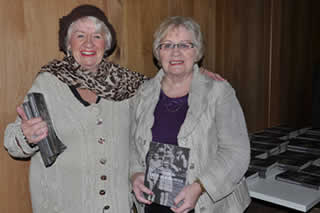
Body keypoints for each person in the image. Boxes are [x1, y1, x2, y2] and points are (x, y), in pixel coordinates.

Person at [4, 4, 148, 213]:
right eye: (80, 35)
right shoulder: (48, 84)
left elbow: (166, 88)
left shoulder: (125, 84)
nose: (89, 43)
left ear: (106, 44)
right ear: (68, 44)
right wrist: (26, 136)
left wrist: (197, 77)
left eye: (97, 36)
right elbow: (12, 141)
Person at [129, 16, 251, 213]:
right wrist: (135, 174)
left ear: (197, 52)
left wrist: (199, 187)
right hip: (155, 203)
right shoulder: (143, 93)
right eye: (167, 45)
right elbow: (131, 146)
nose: (175, 52)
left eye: (185, 45)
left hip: (207, 203)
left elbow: (237, 152)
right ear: (158, 54)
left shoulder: (218, 91)